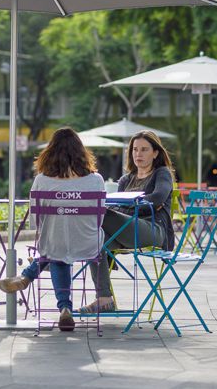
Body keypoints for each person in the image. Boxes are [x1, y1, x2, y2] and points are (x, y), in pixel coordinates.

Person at [0, 127, 105, 331]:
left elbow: (36, 222)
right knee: (62, 250)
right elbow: (99, 218)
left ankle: (61, 304)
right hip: (89, 243)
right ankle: (31, 278)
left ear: (50, 152)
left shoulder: (41, 181)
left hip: (54, 243)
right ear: (81, 152)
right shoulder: (96, 180)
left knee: (55, 251)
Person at [81, 130, 175, 314]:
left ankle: (54, 256)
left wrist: (131, 206)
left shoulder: (161, 174)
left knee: (101, 212)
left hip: (153, 230)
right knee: (95, 241)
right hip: (126, 229)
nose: (138, 154)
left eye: (144, 149)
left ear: (155, 153)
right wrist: (137, 206)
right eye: (135, 149)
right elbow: (122, 207)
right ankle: (104, 299)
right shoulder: (126, 179)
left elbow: (157, 198)